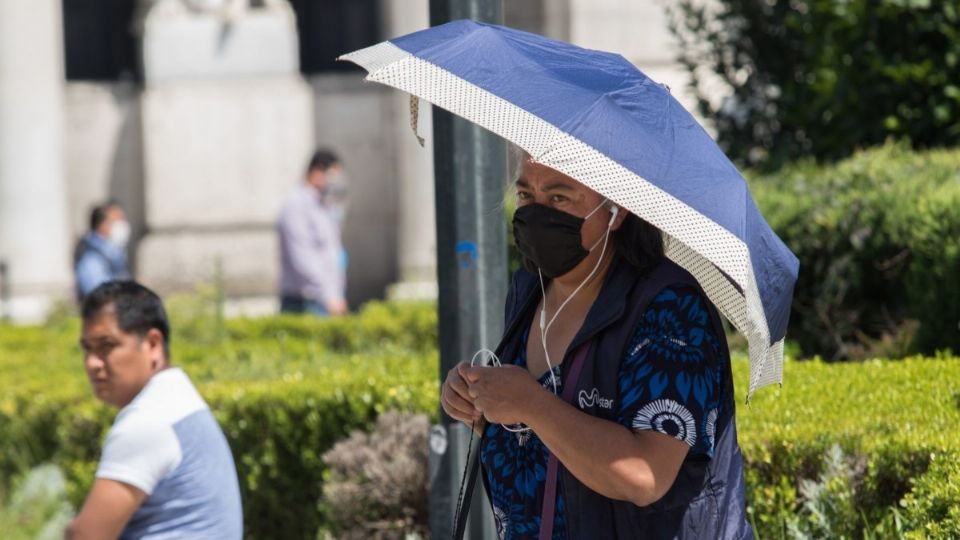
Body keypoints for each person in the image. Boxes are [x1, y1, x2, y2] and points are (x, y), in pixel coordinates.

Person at [441, 158, 753, 539]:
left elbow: (645, 476)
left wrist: (531, 404)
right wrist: (480, 401)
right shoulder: (528, 288)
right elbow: (536, 438)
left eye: (559, 198)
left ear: (615, 210)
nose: (537, 213)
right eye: (525, 194)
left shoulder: (669, 308)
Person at [67, 281, 243, 539]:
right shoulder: (178, 397)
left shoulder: (148, 420)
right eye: (87, 348)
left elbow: (87, 537)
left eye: (107, 346)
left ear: (153, 344)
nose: (93, 363)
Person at [277, 149, 348, 316]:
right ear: (317, 172)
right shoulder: (296, 206)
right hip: (305, 301)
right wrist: (329, 296)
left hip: (326, 300)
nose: (334, 183)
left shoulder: (324, 206)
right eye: (332, 176)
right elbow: (302, 258)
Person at [74, 201, 132, 300]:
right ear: (102, 225)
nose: (123, 225)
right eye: (118, 221)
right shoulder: (91, 259)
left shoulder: (115, 253)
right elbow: (101, 298)